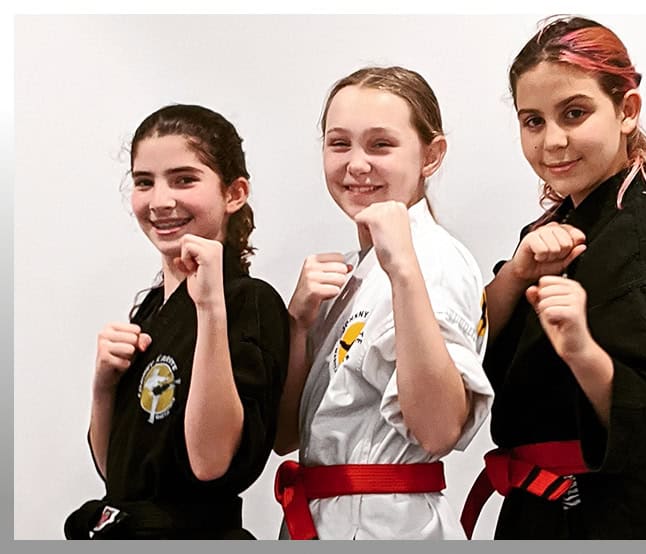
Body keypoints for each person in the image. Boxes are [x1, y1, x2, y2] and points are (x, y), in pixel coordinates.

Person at [460, 16, 646, 539]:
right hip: (538, 509)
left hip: (606, 519)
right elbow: (466, 353)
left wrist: (581, 348)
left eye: (574, 113)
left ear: (627, 110)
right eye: (533, 121)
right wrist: (518, 274)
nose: (553, 141)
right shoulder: (552, 230)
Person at [273, 66, 494, 540]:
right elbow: (285, 437)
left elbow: (438, 432)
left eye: (380, 145)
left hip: (383, 524)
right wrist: (297, 324)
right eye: (339, 144)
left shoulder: (432, 262)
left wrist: (406, 274)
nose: (356, 164)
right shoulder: (353, 271)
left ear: (431, 155)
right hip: (330, 515)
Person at [64, 104, 289, 539]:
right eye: (144, 182)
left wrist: (209, 310)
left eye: (184, 179)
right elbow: (117, 474)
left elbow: (210, 463)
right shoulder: (150, 311)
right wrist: (103, 386)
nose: (160, 201)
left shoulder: (249, 302)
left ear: (234, 193)